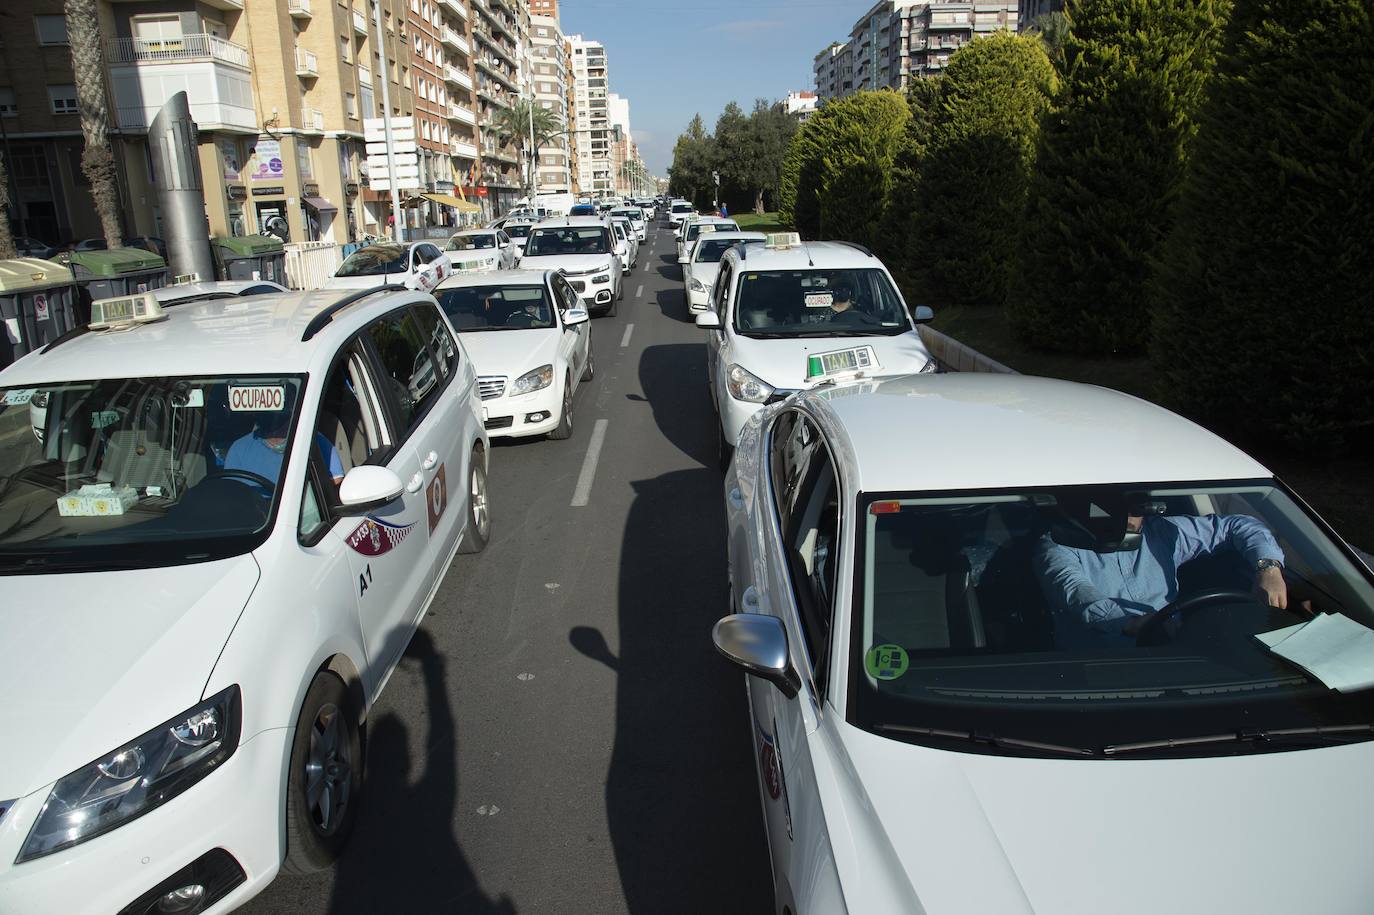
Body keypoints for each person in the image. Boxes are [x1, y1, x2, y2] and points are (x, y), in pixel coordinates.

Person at [1035, 495, 1288, 641]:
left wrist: (1268, 568)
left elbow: (1239, 525)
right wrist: (1134, 625)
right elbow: (1079, 596)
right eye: (1121, 509)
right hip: (1094, 666)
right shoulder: (1058, 544)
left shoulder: (1161, 531)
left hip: (1176, 650)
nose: (1132, 519)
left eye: (1138, 508)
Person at [224, 399, 344, 489]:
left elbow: (336, 483)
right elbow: (232, 494)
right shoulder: (239, 448)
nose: (271, 416)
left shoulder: (314, 441)